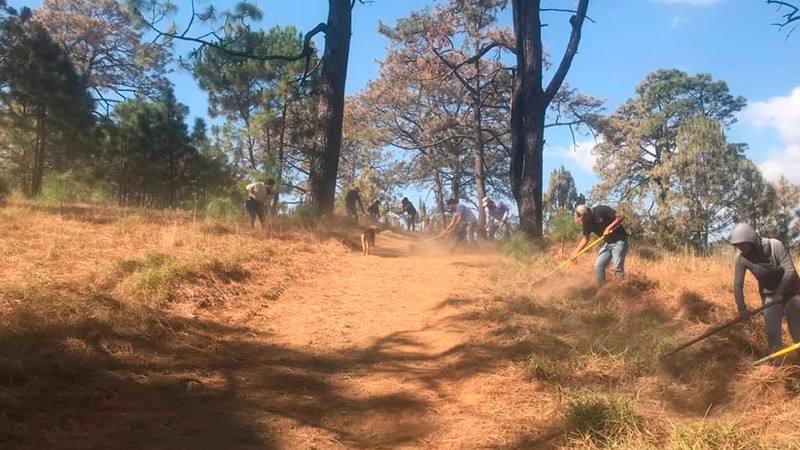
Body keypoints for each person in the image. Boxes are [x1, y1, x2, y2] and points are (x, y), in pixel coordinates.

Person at [730, 223, 800, 360]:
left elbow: (790, 270)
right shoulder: (742, 259)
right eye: (738, 245)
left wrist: (780, 292)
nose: (741, 248)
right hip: (770, 296)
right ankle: (778, 371)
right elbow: (738, 285)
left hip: (792, 292)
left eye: (743, 244)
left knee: (797, 332)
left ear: (752, 240)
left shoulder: (775, 246)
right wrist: (742, 309)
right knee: (773, 334)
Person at [570, 204, 627, 285]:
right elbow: (585, 238)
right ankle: (602, 290)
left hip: (619, 241)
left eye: (583, 218)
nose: (583, 221)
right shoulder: (586, 223)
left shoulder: (601, 210)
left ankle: (620, 290)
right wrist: (576, 253)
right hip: (607, 243)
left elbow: (621, 216)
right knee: (598, 266)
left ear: (588, 212)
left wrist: (608, 228)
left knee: (617, 268)